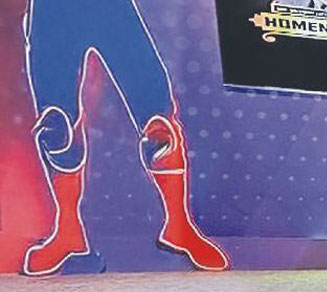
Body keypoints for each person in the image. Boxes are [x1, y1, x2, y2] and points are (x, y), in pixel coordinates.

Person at [22, 0, 229, 276]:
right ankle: (68, 232)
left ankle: (178, 227)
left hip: (111, 8)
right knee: (57, 128)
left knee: (159, 126)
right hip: (52, 12)